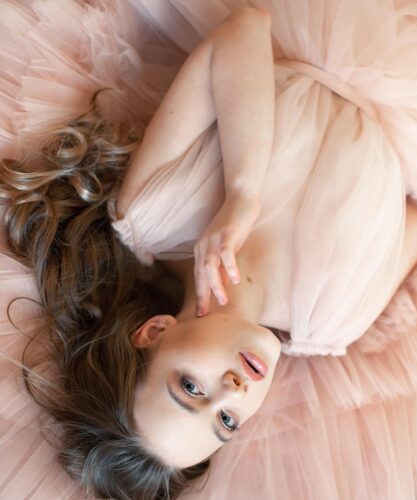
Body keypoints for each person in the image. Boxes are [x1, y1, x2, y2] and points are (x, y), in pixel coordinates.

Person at [1, 1, 417, 499]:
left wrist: (242, 194)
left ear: (155, 332)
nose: (233, 392)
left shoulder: (155, 210)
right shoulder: (334, 320)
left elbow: (245, 29)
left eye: (191, 389)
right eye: (226, 421)